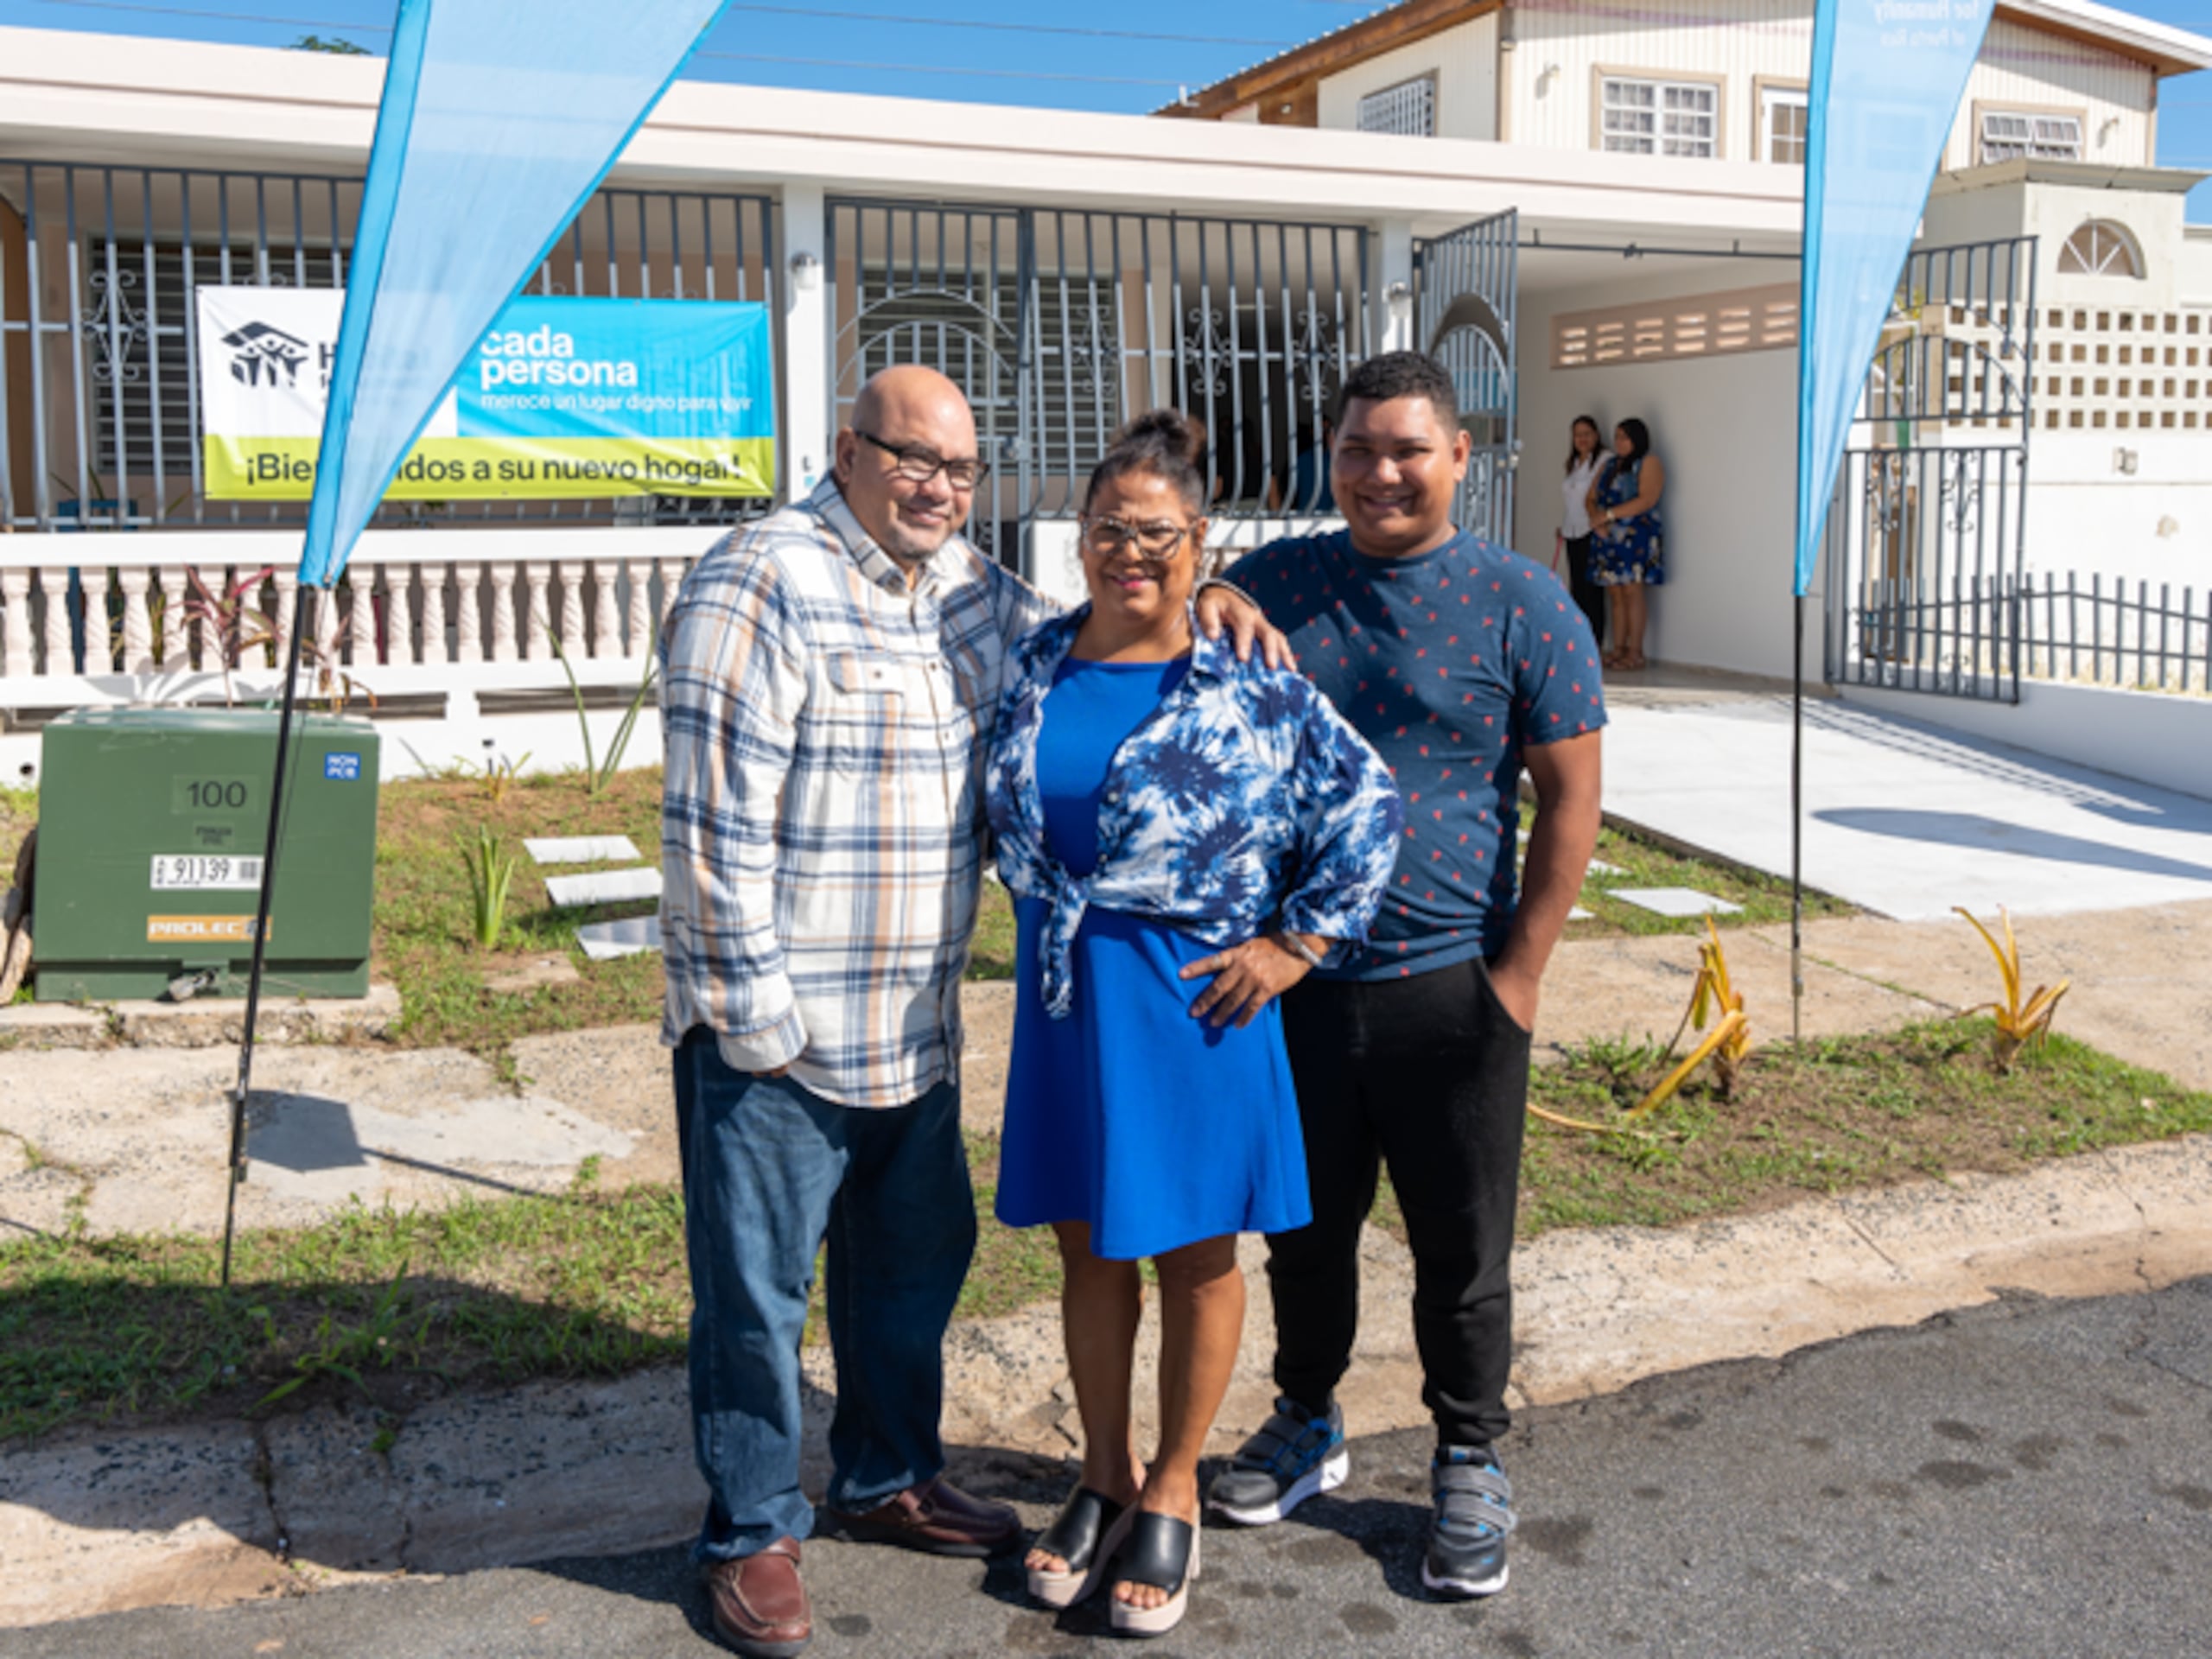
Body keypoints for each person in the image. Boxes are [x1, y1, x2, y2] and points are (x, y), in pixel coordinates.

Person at [658, 365, 1287, 1659]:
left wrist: (1208, 586)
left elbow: (1114, 622)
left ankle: (885, 1475)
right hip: (780, 1032)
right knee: (757, 1298)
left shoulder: (973, 598)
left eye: (960, 470)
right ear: (847, 450)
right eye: (911, 460)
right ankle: (754, 1530)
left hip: (916, 1029)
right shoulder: (760, 577)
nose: (938, 488)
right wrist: (757, 1025)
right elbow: (710, 826)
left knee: (908, 1275)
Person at [986, 410, 1401, 1638]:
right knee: (1086, 1247)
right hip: (1065, 1000)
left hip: (1195, 999)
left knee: (1198, 1254)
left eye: (1157, 535)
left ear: (1198, 540)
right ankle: (1103, 1471)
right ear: (1079, 538)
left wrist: (1298, 944)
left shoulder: (1247, 677)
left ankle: (1177, 1486)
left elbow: (1366, 802)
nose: (1131, 553)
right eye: (1110, 529)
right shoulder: (1030, 664)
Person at [1208, 351, 1605, 1603]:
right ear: (1331, 459)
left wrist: (1522, 973)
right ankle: (1308, 1418)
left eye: (1407, 450)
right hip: (1299, 985)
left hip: (1452, 985)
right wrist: (1211, 588)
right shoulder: (1282, 580)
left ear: (1458, 458)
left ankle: (1469, 1454)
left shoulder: (1521, 599)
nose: (1381, 472)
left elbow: (1573, 799)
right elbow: (1171, 606)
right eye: (1358, 450)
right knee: (1306, 1234)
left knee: (1461, 1244)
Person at [1586, 416, 1666, 671]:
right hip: (1608, 535)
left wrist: (1609, 515)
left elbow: (1647, 499)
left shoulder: (1648, 462)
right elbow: (1590, 497)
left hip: (1635, 535)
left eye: (1625, 437)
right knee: (1615, 593)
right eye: (1617, 436)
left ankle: (1635, 652)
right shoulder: (1609, 464)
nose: (1619, 442)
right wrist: (1596, 519)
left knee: (1633, 591)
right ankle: (1618, 649)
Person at [1557, 415, 1607, 650]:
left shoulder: (1604, 460)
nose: (1582, 439)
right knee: (1576, 588)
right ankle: (1578, 641)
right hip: (1571, 531)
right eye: (1578, 435)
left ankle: (1594, 642)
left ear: (1596, 435)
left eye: (1587, 433)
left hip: (1592, 530)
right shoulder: (1574, 463)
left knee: (1592, 590)